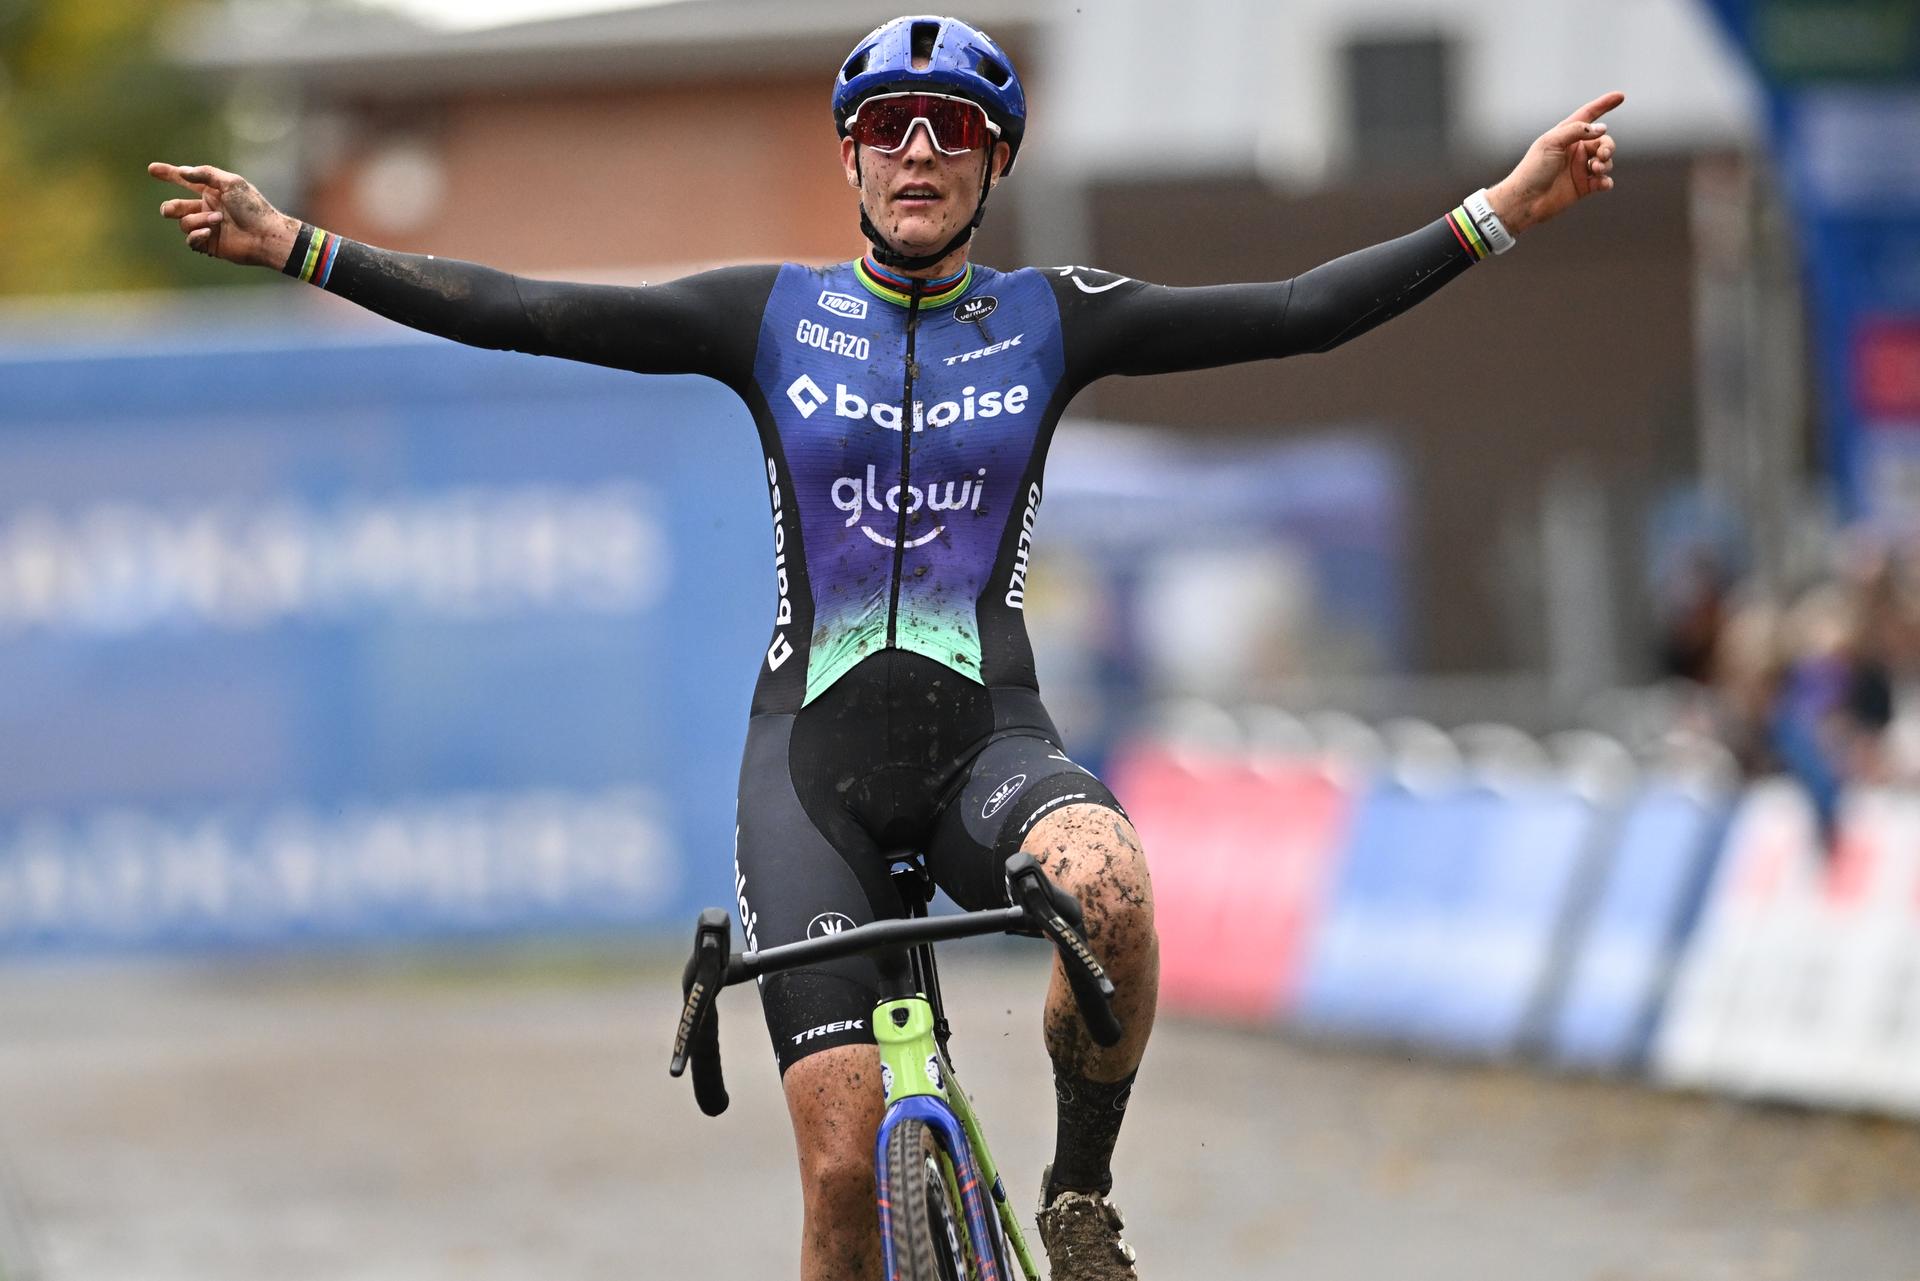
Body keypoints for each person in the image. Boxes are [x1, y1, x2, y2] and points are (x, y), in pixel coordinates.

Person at [151, 15, 1622, 1279]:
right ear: (852, 158)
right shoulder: (768, 315)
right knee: (844, 1171)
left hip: (993, 745)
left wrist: (1499, 208)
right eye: (890, 130)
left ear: (992, 167)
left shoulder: (1055, 320)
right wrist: (299, 242)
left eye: (955, 132)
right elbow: (536, 312)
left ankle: (1077, 1191)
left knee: (1110, 890)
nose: (920, 153)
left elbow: (1297, 314)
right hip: (816, 777)